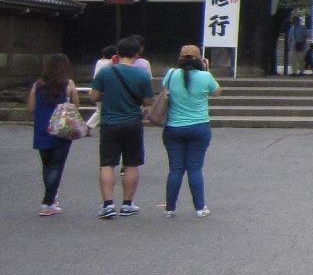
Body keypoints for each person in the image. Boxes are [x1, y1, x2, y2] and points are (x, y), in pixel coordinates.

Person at [89, 35, 154, 219]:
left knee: (107, 164)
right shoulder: (142, 74)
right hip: (133, 122)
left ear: (117, 53)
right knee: (132, 163)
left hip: (109, 122)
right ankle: (127, 204)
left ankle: (108, 204)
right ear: (137, 53)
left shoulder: (106, 72)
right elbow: (148, 100)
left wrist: (108, 95)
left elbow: (93, 97)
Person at [159, 43, 219, 218]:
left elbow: (165, 91)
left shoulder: (171, 74)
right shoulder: (204, 77)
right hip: (199, 127)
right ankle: (200, 208)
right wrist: (207, 71)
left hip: (174, 127)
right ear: (200, 60)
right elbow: (217, 91)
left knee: (175, 169)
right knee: (195, 168)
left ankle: (170, 207)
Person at [26, 53, 79, 215]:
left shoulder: (38, 85)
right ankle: (48, 202)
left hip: (42, 129)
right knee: (57, 166)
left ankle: (50, 198)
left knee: (47, 165)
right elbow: (76, 105)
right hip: (61, 129)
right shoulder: (68, 84)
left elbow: (31, 108)